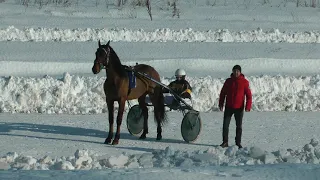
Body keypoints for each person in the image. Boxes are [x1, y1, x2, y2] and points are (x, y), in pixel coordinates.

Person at [218, 65, 252, 149]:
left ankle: (238, 143)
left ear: (240, 72)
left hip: (239, 108)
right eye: (235, 71)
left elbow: (249, 96)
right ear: (232, 71)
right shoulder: (228, 81)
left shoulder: (244, 82)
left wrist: (248, 106)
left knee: (239, 126)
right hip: (229, 107)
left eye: (238, 71)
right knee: (225, 125)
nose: (236, 72)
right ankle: (225, 142)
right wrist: (221, 103)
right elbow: (223, 93)